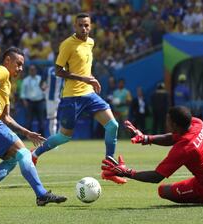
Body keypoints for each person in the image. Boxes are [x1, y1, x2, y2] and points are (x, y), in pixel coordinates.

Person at [31, 13, 125, 184]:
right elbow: (58, 71)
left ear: (91, 26)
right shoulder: (67, 44)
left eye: (86, 25)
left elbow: (83, 67)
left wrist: (91, 79)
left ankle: (109, 168)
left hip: (89, 94)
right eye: (80, 25)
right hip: (71, 97)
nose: (84, 28)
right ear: (75, 26)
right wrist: (84, 78)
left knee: (112, 125)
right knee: (65, 136)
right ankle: (34, 154)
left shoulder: (91, 42)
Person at [0, 47, 67, 206]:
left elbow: (6, 118)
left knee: (12, 160)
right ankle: (41, 194)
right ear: (7, 60)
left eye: (22, 65)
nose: (21, 69)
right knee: (24, 153)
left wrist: (27, 133)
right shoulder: (1, 71)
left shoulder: (6, 84)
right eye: (18, 64)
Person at [20, 65, 45, 136]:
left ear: (36, 71)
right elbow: (23, 93)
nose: (32, 71)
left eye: (33, 70)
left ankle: (41, 136)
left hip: (40, 101)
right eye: (31, 70)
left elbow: (44, 90)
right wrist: (24, 101)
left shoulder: (40, 79)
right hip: (29, 102)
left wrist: (44, 99)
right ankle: (28, 136)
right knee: (28, 120)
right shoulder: (25, 80)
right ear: (29, 71)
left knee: (41, 120)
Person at [42, 65, 63, 136]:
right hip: (50, 98)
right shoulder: (48, 70)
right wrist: (43, 87)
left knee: (63, 118)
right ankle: (53, 137)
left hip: (63, 97)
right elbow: (42, 83)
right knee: (52, 119)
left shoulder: (66, 70)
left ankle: (60, 137)